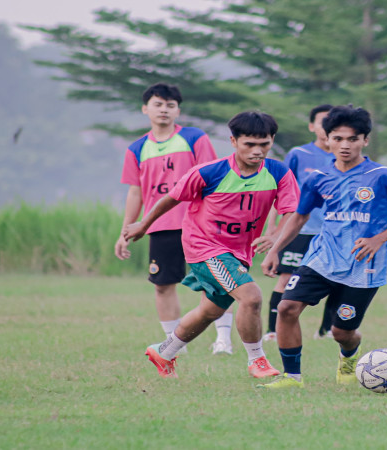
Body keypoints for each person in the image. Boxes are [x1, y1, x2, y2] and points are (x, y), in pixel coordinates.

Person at [257, 106, 387, 389]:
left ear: (365, 140)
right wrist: (275, 248)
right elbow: (299, 216)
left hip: (363, 266)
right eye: (338, 138)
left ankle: (349, 356)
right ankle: (292, 377)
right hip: (321, 258)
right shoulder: (318, 177)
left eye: (352, 139)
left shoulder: (384, 176)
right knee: (286, 308)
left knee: (341, 332)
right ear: (327, 139)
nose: (345, 145)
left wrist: (379, 238)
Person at [123, 111, 300, 379]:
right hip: (204, 247)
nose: (257, 151)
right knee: (251, 297)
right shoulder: (209, 172)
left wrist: (275, 239)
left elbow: (291, 212)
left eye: (264, 144)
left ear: (272, 140)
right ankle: (258, 360)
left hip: (238, 252)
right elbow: (171, 198)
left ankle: (164, 351)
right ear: (233, 141)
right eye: (249, 144)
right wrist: (143, 225)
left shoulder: (278, 172)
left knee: (210, 311)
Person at [115, 82, 227, 354]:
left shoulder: (194, 138)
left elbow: (212, 179)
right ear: (145, 109)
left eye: (170, 105)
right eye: (158, 104)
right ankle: (175, 344)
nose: (164, 110)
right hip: (160, 225)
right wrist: (125, 231)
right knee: (163, 285)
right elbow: (135, 192)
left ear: (178, 110)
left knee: (216, 280)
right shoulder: (137, 148)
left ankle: (223, 340)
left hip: (199, 223)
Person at [263, 104, 337, 343]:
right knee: (286, 277)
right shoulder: (299, 154)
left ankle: (326, 331)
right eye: (323, 122)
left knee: (337, 280)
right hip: (300, 229)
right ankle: (273, 330)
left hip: (333, 232)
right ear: (312, 126)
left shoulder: (345, 156)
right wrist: (273, 227)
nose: (327, 128)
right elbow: (281, 192)